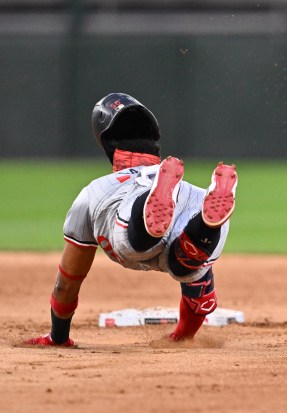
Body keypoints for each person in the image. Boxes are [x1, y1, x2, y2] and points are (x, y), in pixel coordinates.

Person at [25, 92, 238, 346]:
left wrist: (58, 337)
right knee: (186, 265)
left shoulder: (95, 191)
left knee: (134, 242)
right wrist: (182, 337)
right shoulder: (188, 191)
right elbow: (200, 294)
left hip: (127, 214)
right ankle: (203, 227)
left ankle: (148, 221)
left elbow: (67, 282)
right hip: (193, 203)